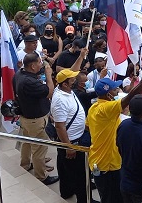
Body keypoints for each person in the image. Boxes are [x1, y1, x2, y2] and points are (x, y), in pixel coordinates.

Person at [87, 65, 142, 203]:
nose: (118, 91)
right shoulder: (106, 108)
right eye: (115, 90)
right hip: (108, 167)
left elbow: (88, 127)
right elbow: (129, 98)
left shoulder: (93, 108)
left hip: (99, 162)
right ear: (108, 95)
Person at [14, 52, 58, 185]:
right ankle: (42, 176)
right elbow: (49, 91)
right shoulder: (30, 82)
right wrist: (49, 75)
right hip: (36, 119)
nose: (41, 64)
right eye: (39, 62)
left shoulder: (18, 75)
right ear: (32, 66)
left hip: (25, 117)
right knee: (39, 148)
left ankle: (25, 164)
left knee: (27, 142)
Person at [50, 68, 91, 202]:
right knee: (80, 175)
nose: (75, 80)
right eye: (72, 79)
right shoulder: (60, 100)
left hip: (74, 138)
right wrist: (68, 147)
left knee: (65, 169)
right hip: (72, 142)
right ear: (65, 84)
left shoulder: (65, 90)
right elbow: (59, 126)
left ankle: (66, 192)